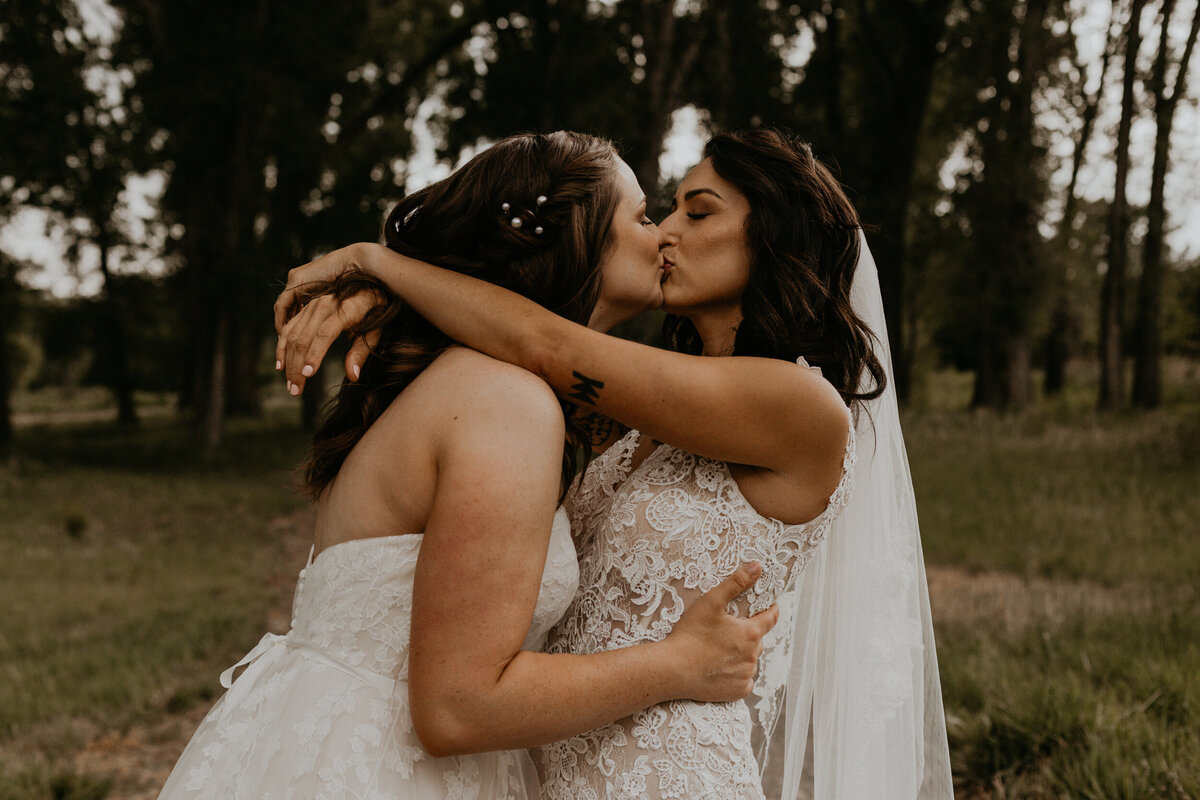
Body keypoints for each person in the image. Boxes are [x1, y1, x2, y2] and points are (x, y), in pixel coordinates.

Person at [278, 128, 953, 800]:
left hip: (669, 778)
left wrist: (380, 263)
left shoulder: (800, 405)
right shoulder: (640, 419)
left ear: (773, 233)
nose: (665, 232)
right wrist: (398, 307)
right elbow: (519, 343)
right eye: (666, 210)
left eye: (699, 211)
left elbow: (540, 340)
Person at [159, 131, 778, 800]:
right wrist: (679, 664)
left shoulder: (478, 382)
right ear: (577, 237)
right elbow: (459, 706)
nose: (660, 235)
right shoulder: (505, 401)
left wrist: (390, 285)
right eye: (640, 215)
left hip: (321, 742)